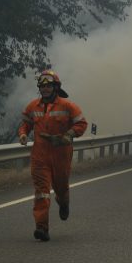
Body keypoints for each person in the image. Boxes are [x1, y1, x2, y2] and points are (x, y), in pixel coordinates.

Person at [18, 70, 87, 242]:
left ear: (56, 87)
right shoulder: (32, 106)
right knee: (41, 192)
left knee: (61, 187)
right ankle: (41, 228)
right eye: (42, 86)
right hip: (40, 155)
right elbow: (25, 124)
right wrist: (23, 134)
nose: (45, 89)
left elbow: (82, 124)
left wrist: (68, 134)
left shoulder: (68, 106)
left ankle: (64, 203)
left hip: (61, 155)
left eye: (48, 86)